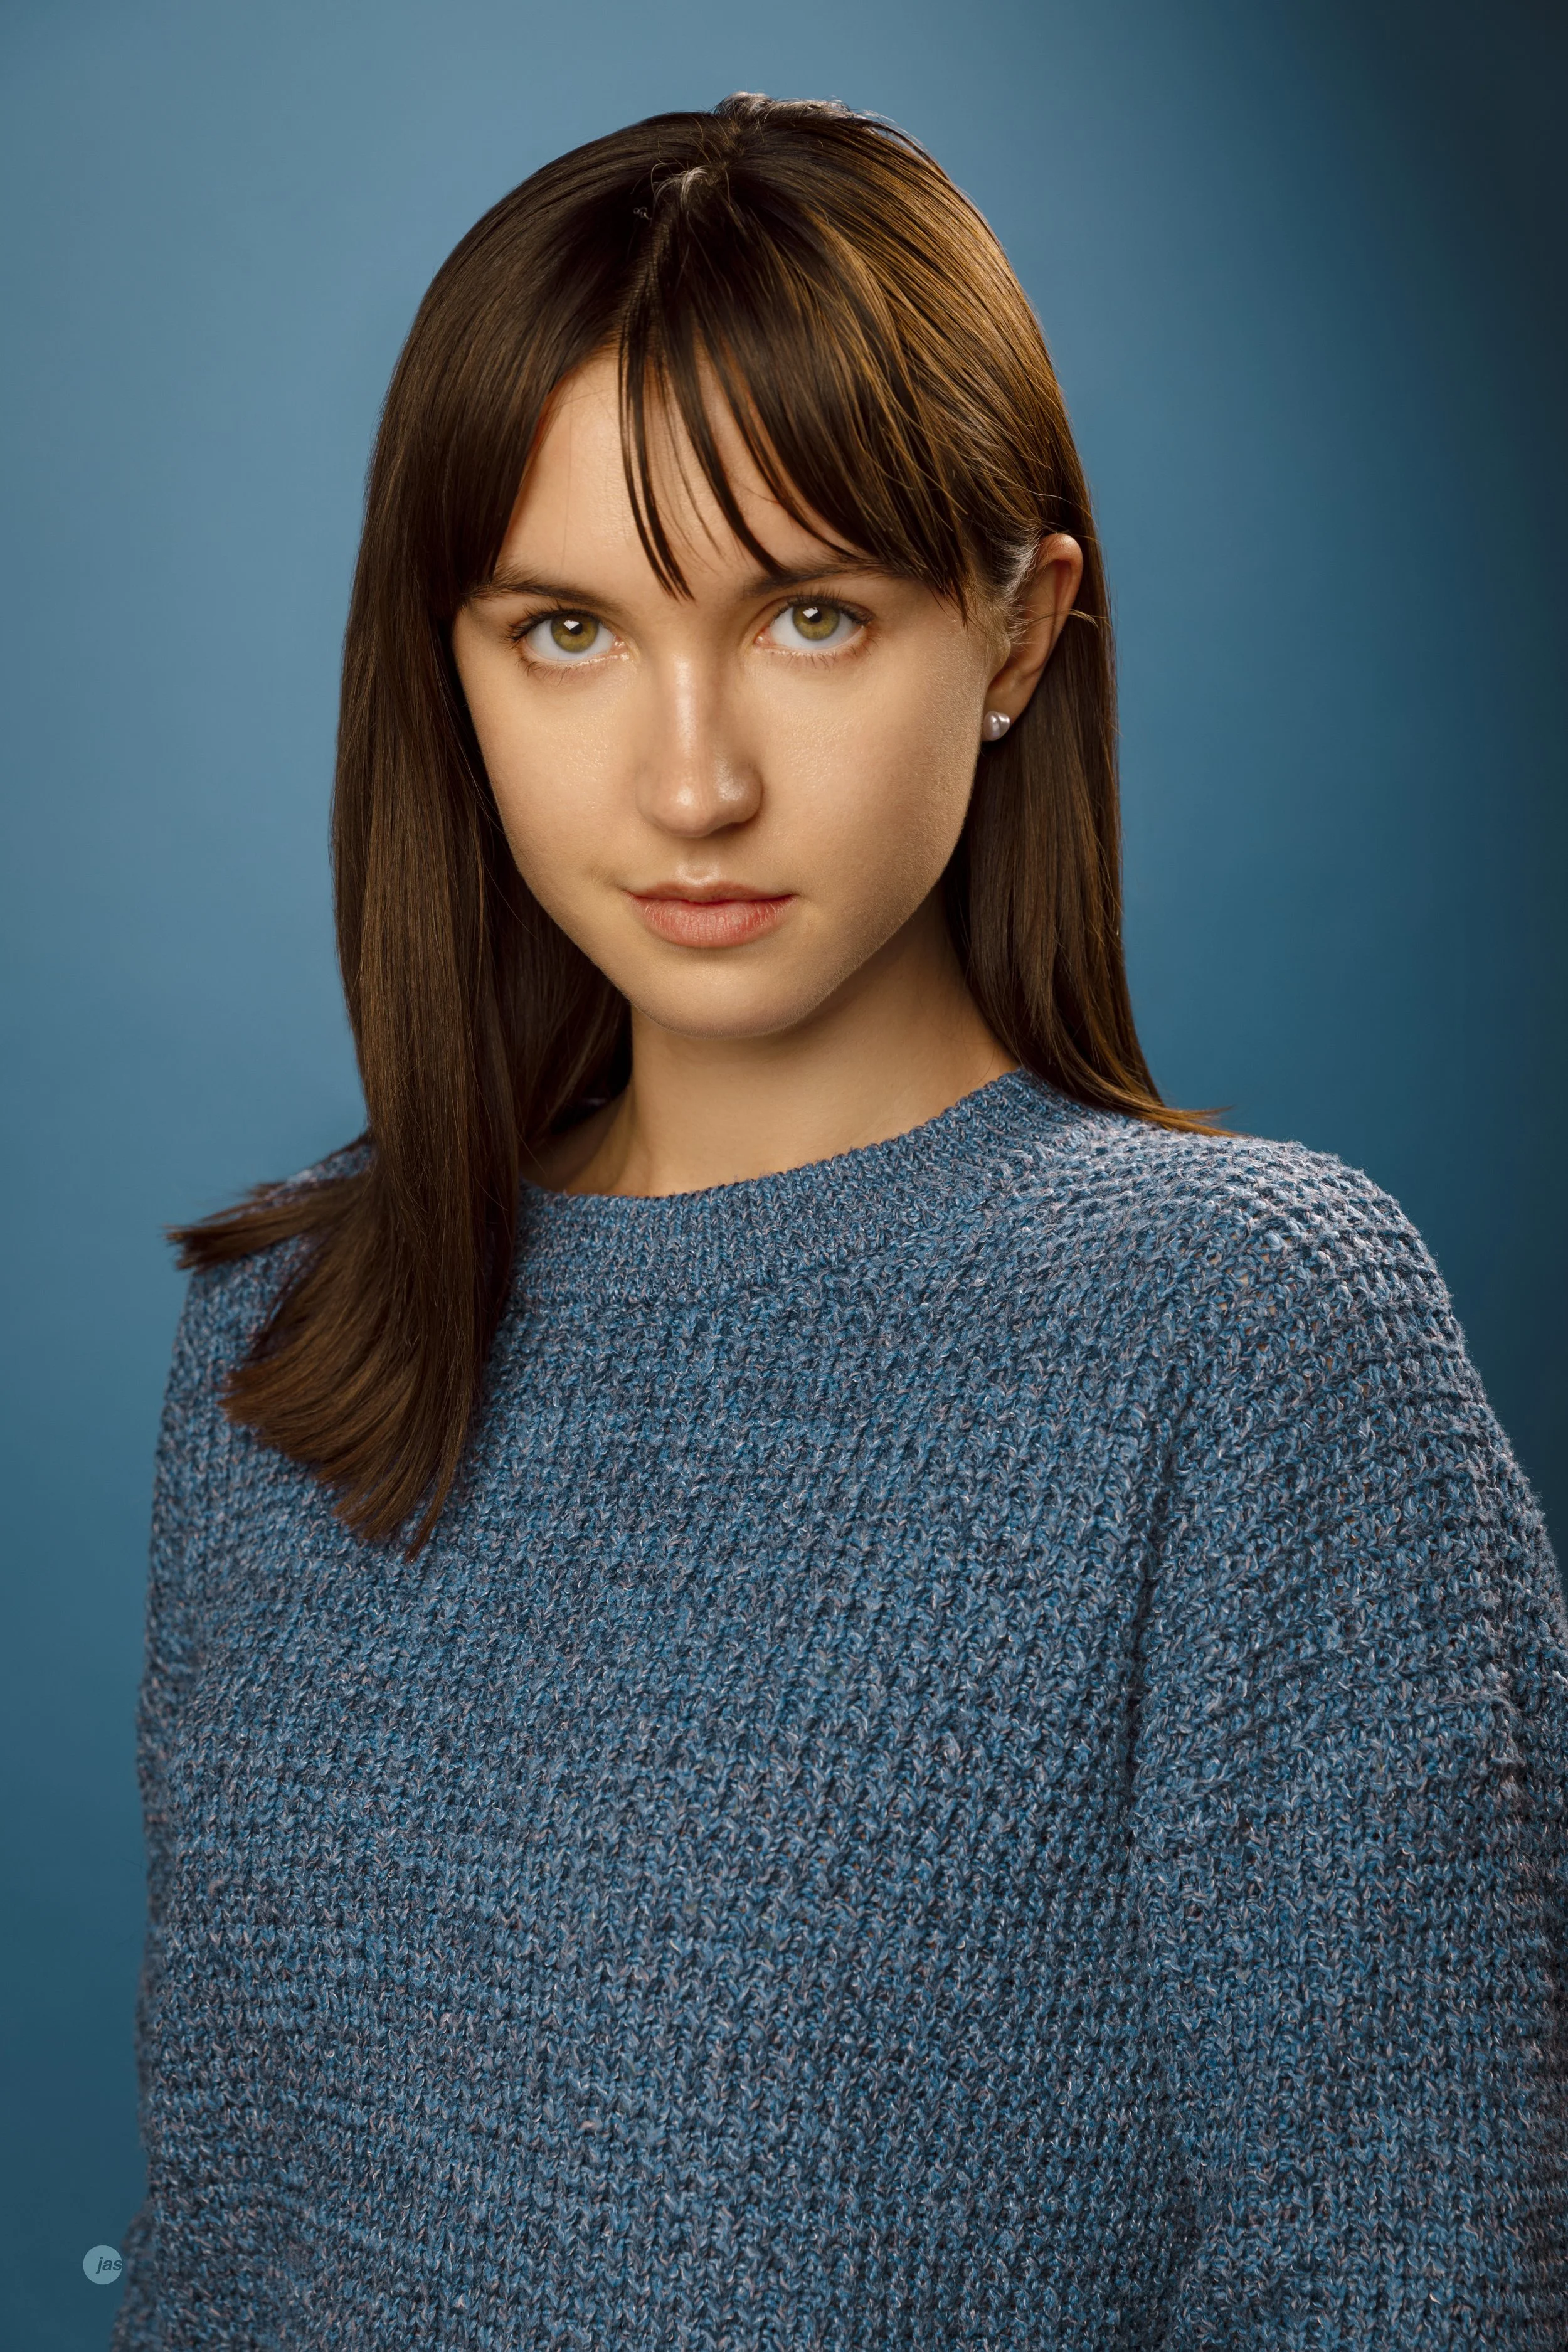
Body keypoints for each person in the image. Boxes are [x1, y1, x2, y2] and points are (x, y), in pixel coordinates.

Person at [113, 93, 1567, 2349]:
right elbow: (218, 2247)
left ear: (1013, 626)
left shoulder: (1248, 1340)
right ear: (452, 667)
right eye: (566, 630)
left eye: (807, 612)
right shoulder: (290, 1339)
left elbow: (1415, 2273)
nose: (690, 776)